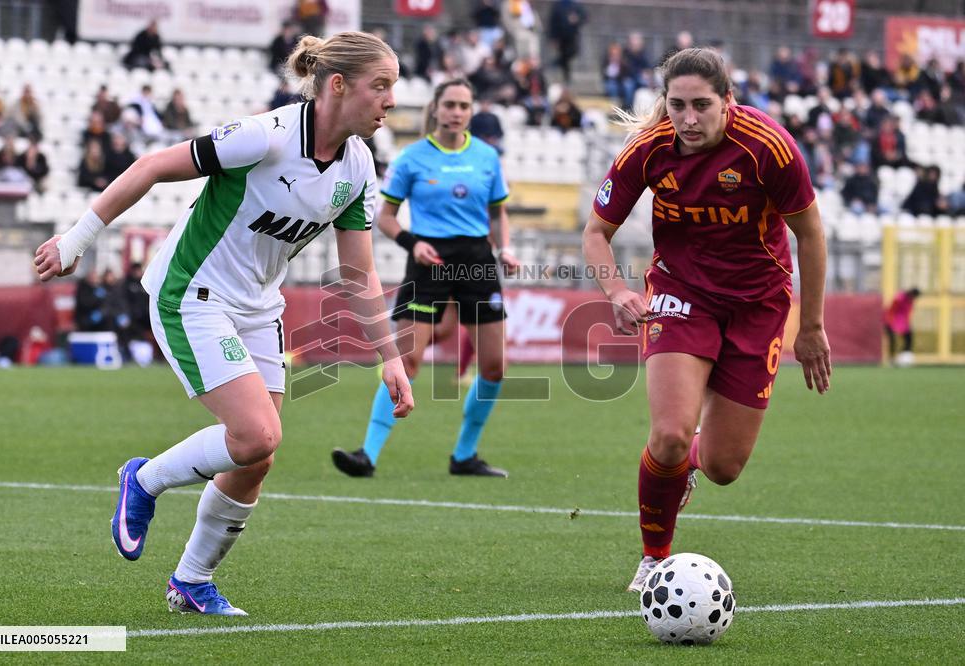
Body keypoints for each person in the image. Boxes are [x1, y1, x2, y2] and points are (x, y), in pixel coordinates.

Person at [33, 31, 413, 616]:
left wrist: (390, 356)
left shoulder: (359, 166)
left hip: (260, 306)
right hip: (192, 293)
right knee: (257, 434)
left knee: (255, 457)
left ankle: (191, 582)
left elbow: (358, 271)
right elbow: (155, 164)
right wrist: (77, 238)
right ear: (338, 85)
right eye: (381, 85)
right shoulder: (267, 135)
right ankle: (145, 479)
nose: (391, 100)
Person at [581, 48, 831, 593]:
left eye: (701, 105)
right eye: (677, 105)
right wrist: (618, 290)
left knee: (723, 466)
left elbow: (809, 235)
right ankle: (654, 558)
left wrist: (810, 327)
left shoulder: (769, 148)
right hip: (680, 292)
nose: (688, 119)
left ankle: (692, 460)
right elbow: (595, 233)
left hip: (758, 304)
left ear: (728, 101)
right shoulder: (647, 150)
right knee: (667, 435)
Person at [331, 78, 520, 479]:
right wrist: (412, 243)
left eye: (464, 106)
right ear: (435, 109)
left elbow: (498, 213)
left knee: (494, 367)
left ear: (471, 112)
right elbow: (384, 218)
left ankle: (464, 456)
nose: (456, 112)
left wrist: (504, 248)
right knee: (408, 359)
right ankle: (366, 454)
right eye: (449, 104)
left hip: (477, 261)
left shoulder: (487, 157)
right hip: (428, 259)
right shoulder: (412, 157)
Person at [884, 288, 920, 363]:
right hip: (891, 321)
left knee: (909, 338)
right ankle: (891, 359)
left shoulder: (910, 301)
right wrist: (889, 321)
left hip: (903, 323)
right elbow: (892, 309)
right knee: (892, 340)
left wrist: (906, 323)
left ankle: (903, 355)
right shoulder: (900, 298)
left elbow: (907, 313)